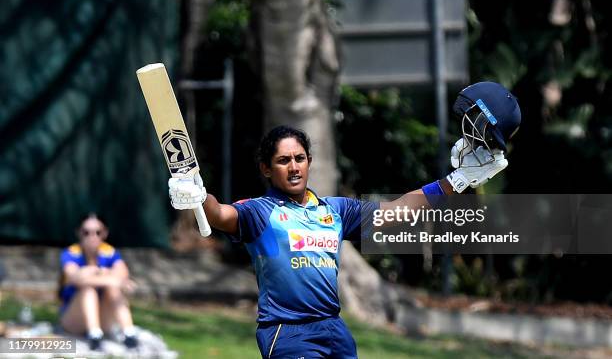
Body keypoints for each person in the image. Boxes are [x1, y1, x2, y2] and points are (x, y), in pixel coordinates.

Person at [168, 81, 520, 358]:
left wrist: (454, 182)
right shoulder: (259, 212)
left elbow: (398, 212)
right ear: (266, 168)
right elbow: (220, 214)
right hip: (287, 333)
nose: (293, 167)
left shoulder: (334, 211)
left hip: (334, 330)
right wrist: (199, 196)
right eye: (283, 160)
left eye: (300, 158)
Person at [59, 214, 138, 350]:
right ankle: (94, 334)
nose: (92, 237)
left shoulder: (110, 252)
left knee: (112, 289)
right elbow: (76, 278)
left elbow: (123, 274)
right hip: (73, 319)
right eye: (86, 232)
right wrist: (106, 274)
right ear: (79, 233)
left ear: (105, 233)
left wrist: (92, 273)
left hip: (104, 318)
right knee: (88, 290)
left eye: (97, 232)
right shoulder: (71, 253)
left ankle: (129, 332)